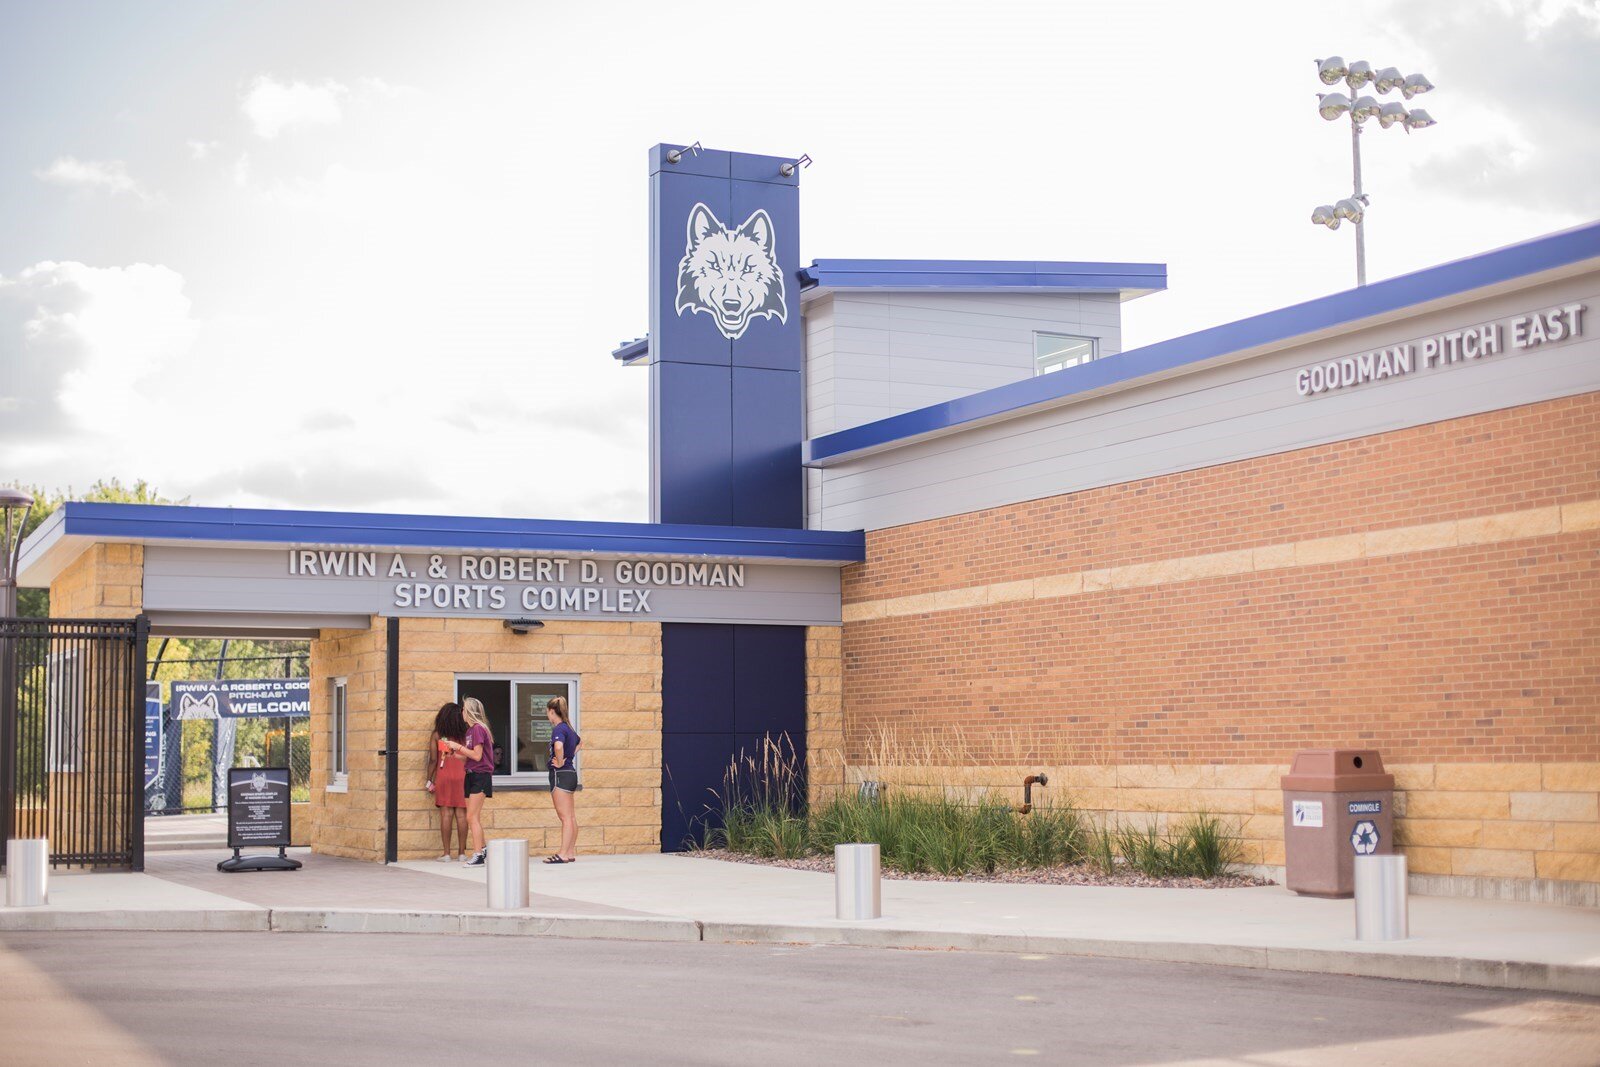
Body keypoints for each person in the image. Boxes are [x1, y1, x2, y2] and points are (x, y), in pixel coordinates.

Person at [442, 696, 495, 867]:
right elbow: (469, 758)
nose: (462, 713)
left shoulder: (479, 729)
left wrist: (458, 747)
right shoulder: (470, 731)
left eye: (464, 709)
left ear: (470, 712)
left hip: (481, 775)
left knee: (472, 816)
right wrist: (454, 753)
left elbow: (478, 756)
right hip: (471, 774)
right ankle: (483, 848)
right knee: (472, 816)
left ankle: (478, 855)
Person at [425, 702, 468, 861]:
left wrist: (429, 779)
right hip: (463, 775)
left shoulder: (438, 735)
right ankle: (462, 853)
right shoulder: (466, 734)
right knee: (462, 815)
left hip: (444, 775)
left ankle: (446, 853)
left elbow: (433, 759)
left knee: (446, 814)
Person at [543, 696, 581, 864]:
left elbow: (558, 746)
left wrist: (559, 760)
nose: (547, 716)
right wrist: (570, 755)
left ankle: (563, 854)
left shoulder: (559, 729)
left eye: (547, 712)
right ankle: (570, 852)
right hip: (570, 773)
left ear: (552, 711)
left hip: (561, 775)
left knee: (565, 817)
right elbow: (580, 743)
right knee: (571, 816)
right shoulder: (569, 729)